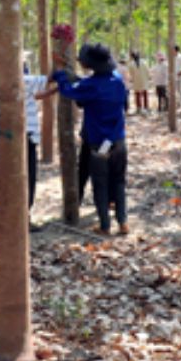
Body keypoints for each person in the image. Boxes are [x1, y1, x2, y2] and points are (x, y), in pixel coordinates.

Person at [51, 42, 129, 236]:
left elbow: (68, 91)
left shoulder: (91, 85)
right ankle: (123, 222)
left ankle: (104, 226)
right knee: (118, 182)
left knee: (100, 184)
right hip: (119, 141)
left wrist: (60, 72)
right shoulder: (118, 80)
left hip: (98, 144)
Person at [23, 58, 51, 210]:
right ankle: (25, 214)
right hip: (26, 135)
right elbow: (50, 78)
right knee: (28, 176)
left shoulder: (14, 82)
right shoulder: (24, 79)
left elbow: (34, 95)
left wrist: (54, 91)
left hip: (21, 135)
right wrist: (59, 62)